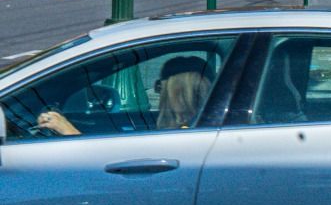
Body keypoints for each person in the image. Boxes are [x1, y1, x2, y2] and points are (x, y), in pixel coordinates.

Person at [33, 54, 212, 137]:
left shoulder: (184, 136)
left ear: (179, 93)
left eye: (160, 86)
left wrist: (69, 131)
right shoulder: (196, 129)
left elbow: (127, 164)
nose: (159, 92)